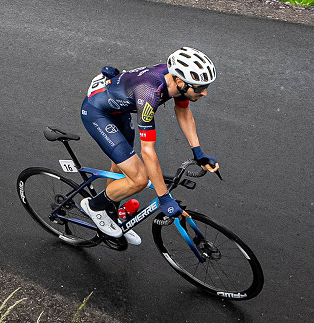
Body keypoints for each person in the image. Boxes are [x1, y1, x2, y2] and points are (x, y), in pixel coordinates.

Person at [76, 48, 219, 247]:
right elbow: (148, 151)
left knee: (120, 167)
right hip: (97, 113)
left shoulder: (175, 80)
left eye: (206, 86)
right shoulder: (149, 94)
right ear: (180, 81)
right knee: (139, 179)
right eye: (200, 88)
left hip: (118, 110)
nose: (204, 92)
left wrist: (198, 152)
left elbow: (183, 111)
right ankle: (94, 207)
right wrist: (164, 197)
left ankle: (111, 212)